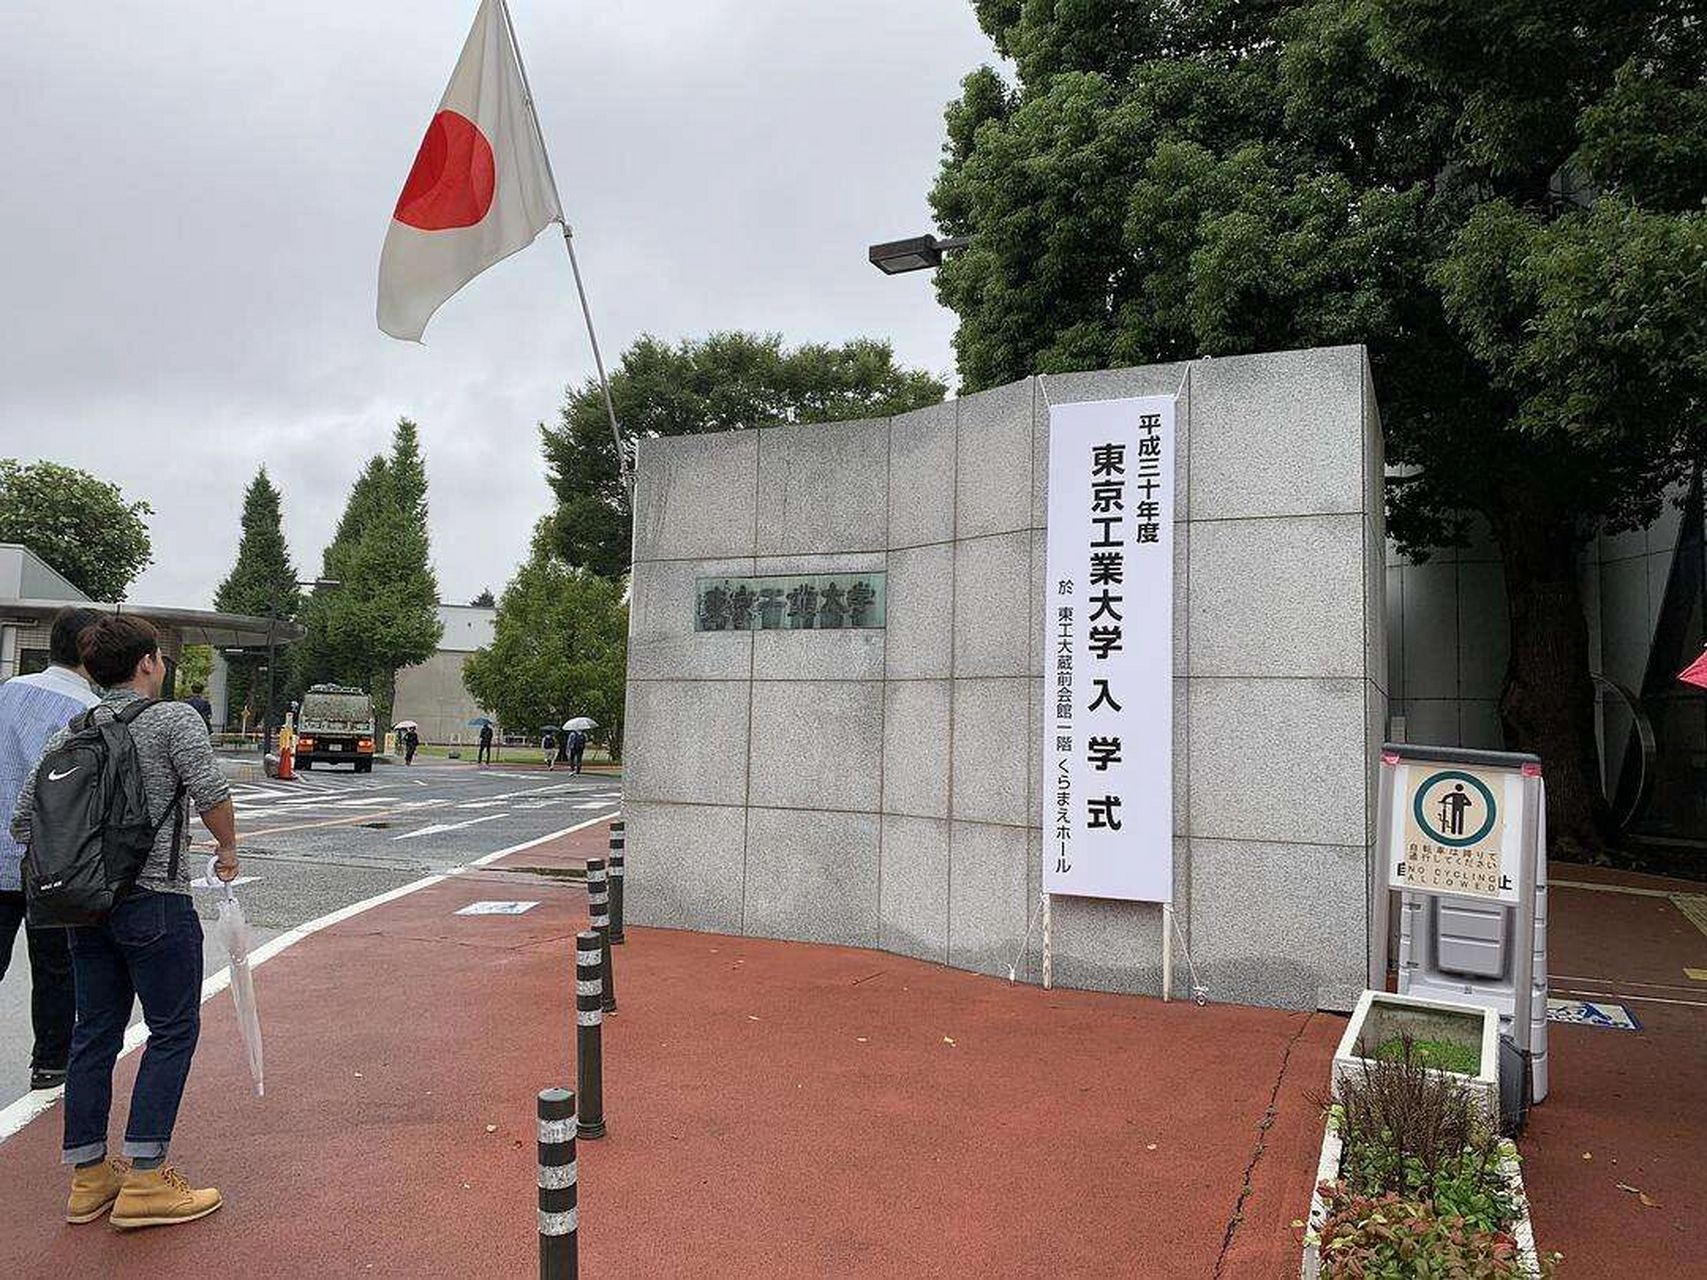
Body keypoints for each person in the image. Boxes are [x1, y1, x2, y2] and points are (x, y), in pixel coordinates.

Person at [11, 614, 239, 1230]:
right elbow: (211, 791)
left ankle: (88, 1177)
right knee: (171, 1029)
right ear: (146, 664)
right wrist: (227, 849)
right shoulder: (173, 719)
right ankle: (145, 1176)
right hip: (155, 900)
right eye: (159, 659)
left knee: (94, 1033)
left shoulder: (74, 730)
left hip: (86, 907)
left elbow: (25, 822)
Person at [0, 606, 104, 1091]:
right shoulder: (85, 715)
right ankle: (50, 1066)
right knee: (57, 969)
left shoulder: (7, 694)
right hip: (54, 866)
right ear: (89, 649)